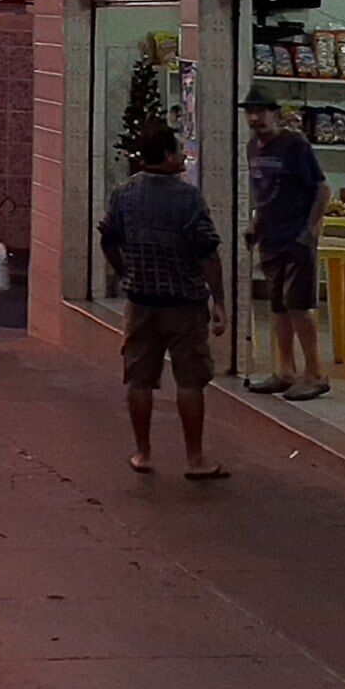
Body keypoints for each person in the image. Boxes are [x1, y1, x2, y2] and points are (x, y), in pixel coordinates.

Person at [98, 119, 229, 479]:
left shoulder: (124, 193)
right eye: (179, 151)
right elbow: (207, 252)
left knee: (139, 378)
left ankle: (143, 452)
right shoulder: (187, 196)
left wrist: (125, 272)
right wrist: (218, 301)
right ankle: (195, 458)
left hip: (140, 301)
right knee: (190, 380)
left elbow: (108, 238)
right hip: (184, 302)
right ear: (168, 155)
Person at [241, 86, 331, 400]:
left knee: (299, 306)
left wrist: (310, 230)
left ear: (275, 113)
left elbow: (321, 189)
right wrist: (255, 223)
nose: (254, 118)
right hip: (270, 238)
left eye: (260, 112)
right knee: (277, 306)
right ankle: (285, 370)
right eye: (250, 112)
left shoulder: (294, 145)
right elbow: (264, 194)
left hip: (296, 237)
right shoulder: (253, 148)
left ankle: (316, 373)